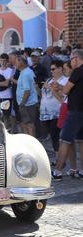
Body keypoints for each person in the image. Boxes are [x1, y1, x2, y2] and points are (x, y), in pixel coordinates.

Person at [52, 49, 83, 180]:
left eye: (71, 59)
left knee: (64, 140)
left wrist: (58, 88)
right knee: (81, 141)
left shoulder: (77, 71)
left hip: (75, 111)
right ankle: (81, 171)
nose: (70, 62)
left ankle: (58, 171)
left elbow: (66, 90)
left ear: (76, 59)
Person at [39, 60, 68, 164]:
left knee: (56, 136)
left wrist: (51, 88)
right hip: (46, 113)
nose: (51, 71)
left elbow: (63, 97)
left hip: (57, 112)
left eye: (53, 69)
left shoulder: (65, 81)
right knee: (51, 136)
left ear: (60, 69)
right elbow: (43, 95)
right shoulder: (50, 80)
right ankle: (58, 158)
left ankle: (60, 160)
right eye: (50, 69)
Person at [16, 55, 38, 137]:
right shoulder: (28, 71)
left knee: (29, 125)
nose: (15, 64)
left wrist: (22, 103)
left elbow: (27, 91)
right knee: (25, 124)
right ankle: (29, 142)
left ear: (21, 62)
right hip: (27, 103)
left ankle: (32, 143)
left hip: (27, 104)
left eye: (16, 62)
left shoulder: (25, 74)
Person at [0, 53, 14, 129]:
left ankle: (8, 130)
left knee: (6, 115)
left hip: (7, 96)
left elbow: (7, 84)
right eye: (1, 60)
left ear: (7, 61)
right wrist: (2, 83)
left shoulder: (10, 71)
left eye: (4, 61)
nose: (3, 62)